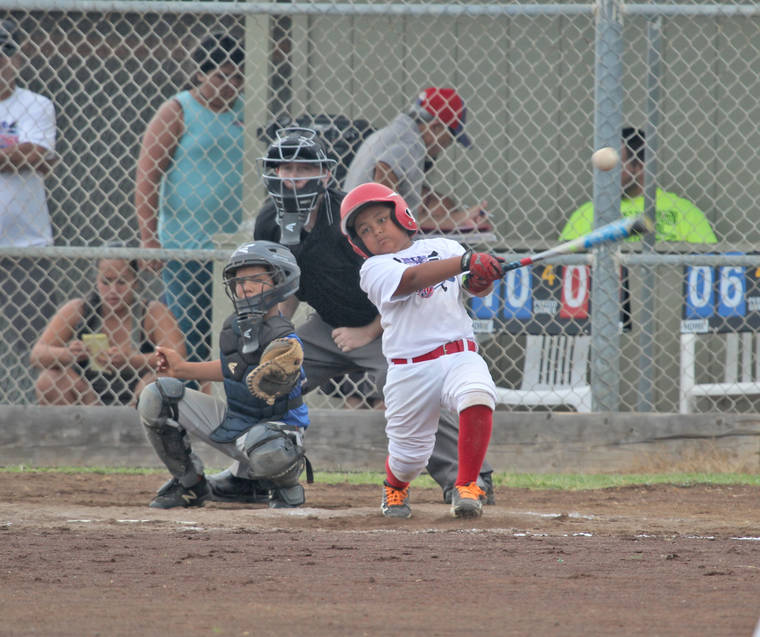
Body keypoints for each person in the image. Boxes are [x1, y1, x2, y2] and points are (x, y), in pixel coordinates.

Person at [207, 127, 495, 506]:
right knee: (269, 375)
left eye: (303, 169)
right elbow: (285, 287)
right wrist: (278, 335)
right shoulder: (270, 222)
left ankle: (465, 479)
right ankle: (252, 474)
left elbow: (394, 284)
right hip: (328, 324)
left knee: (414, 380)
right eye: (284, 169)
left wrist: (367, 332)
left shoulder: (349, 220)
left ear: (325, 174)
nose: (293, 178)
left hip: (388, 326)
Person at [339, 182, 504, 519]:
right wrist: (467, 261)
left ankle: (467, 485)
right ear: (359, 243)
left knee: (477, 393)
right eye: (365, 230)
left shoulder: (445, 247)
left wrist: (481, 278)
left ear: (402, 216)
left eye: (381, 220)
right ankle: (395, 485)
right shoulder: (374, 269)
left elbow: (471, 287)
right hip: (410, 369)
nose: (376, 231)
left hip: (459, 353)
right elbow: (412, 280)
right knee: (409, 458)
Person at [137, 241, 311, 509]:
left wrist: (279, 372)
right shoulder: (235, 327)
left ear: (281, 283)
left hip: (276, 434)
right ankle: (191, 483)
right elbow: (234, 368)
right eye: (239, 281)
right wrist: (182, 369)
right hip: (237, 423)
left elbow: (288, 360)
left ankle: (281, 487)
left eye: (256, 280)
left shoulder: (284, 338)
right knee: (158, 395)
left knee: (267, 446)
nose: (245, 287)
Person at [135, 32, 245, 368]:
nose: (230, 85)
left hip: (235, 245)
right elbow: (147, 176)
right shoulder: (177, 110)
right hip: (186, 245)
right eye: (221, 76)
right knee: (188, 332)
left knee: (232, 333)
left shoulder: (248, 110)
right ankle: (183, 392)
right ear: (200, 74)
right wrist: (149, 238)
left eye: (237, 77)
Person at [30, 254, 186, 407]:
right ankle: (87, 422)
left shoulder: (152, 312)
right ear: (96, 282)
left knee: (158, 381)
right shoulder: (81, 309)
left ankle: (135, 420)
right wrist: (70, 354)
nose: (113, 290)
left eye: (121, 282)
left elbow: (177, 358)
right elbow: (37, 354)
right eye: (106, 282)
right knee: (48, 380)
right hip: (88, 397)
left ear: (135, 282)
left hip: (138, 396)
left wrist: (131, 360)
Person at [344, 86, 491, 234]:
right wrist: (387, 222)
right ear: (436, 127)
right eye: (451, 138)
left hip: (356, 228)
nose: (446, 146)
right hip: (365, 234)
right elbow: (384, 168)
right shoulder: (412, 142)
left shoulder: (393, 132)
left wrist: (458, 219)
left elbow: (407, 217)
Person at [0, 19, 58, 362]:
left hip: (26, 247)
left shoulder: (36, 104)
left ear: (18, 58)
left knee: (38, 346)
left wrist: (26, 156)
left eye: (7, 51)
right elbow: (26, 155)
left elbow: (37, 154)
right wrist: (16, 155)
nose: (1, 59)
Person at [560, 127, 717, 244]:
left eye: (615, 165)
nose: (605, 174)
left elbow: (708, 263)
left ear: (640, 166)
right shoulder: (586, 213)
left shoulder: (684, 212)